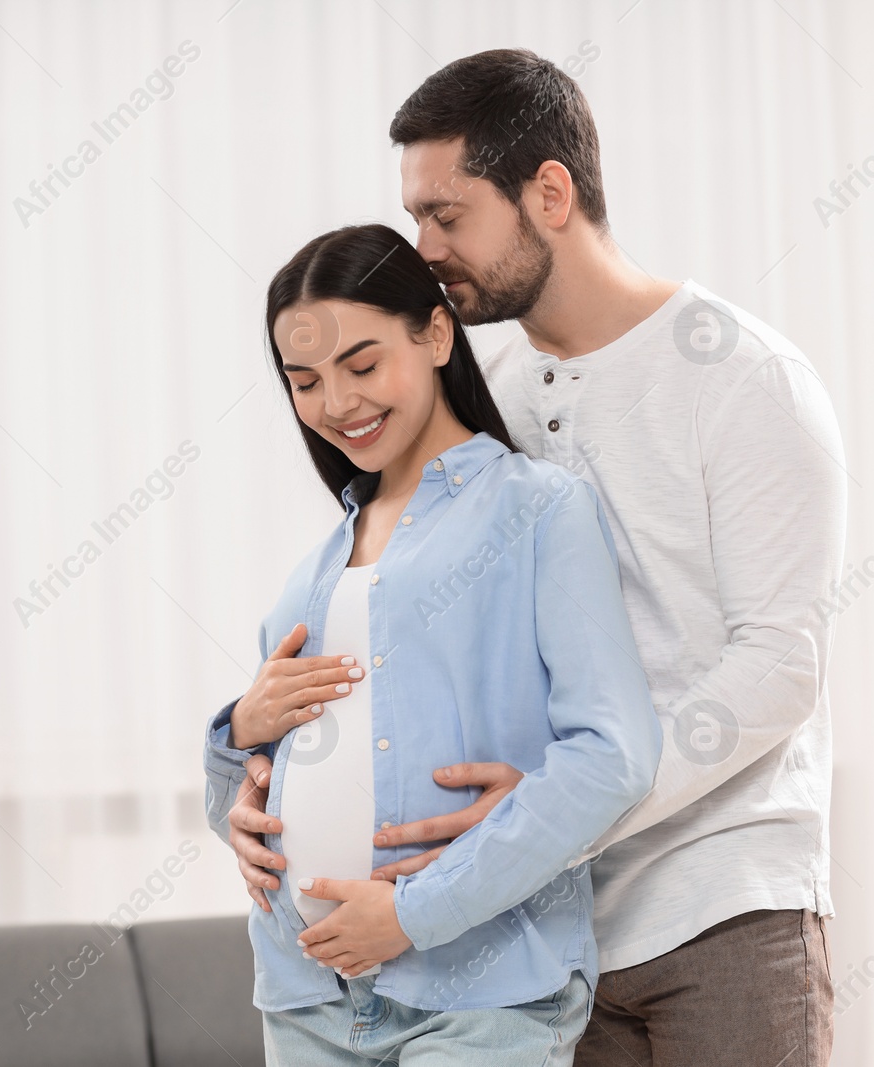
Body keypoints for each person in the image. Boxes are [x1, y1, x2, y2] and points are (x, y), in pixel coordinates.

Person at [220, 49, 848, 1067]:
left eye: (446, 214)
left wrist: (574, 796)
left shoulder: (739, 376)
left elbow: (780, 662)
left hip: (720, 902)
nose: (424, 248)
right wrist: (252, 766)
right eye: (415, 218)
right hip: (535, 926)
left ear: (547, 193)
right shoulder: (488, 389)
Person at [202, 222, 662, 1066]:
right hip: (309, 998)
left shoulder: (538, 511)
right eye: (304, 381)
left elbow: (614, 754)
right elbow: (253, 805)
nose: (336, 402)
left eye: (363, 364)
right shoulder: (313, 570)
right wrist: (236, 746)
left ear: (437, 332)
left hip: (477, 991)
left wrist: (413, 914)